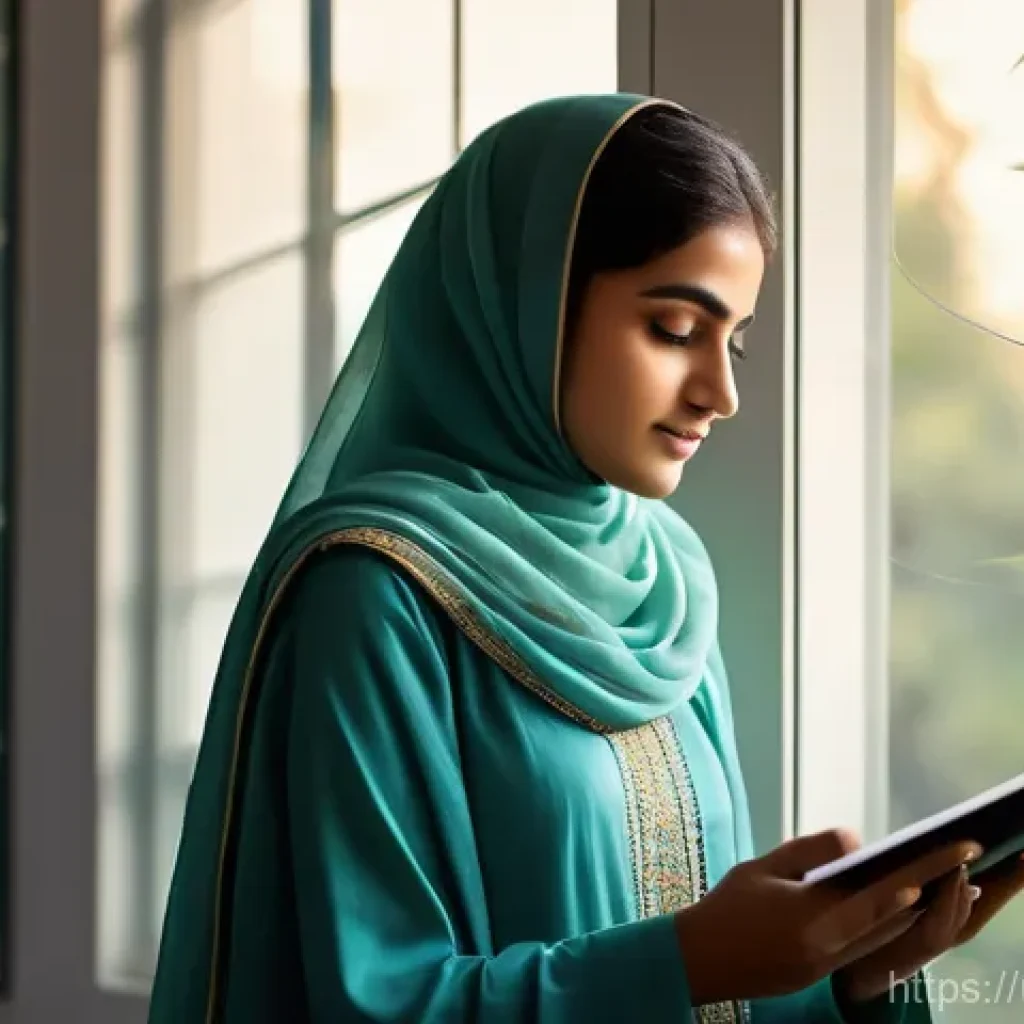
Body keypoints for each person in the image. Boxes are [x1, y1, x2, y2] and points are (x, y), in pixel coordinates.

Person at [147, 94, 1024, 1024]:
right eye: (676, 330)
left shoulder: (665, 584)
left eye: (735, 341)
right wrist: (686, 959)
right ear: (529, 301)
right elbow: (377, 1003)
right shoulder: (374, 591)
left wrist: (851, 971)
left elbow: (708, 982)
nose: (720, 391)